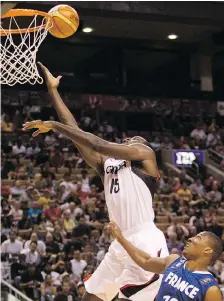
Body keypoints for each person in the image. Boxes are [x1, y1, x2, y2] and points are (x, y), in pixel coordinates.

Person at [22, 62, 169, 301]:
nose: (132, 139)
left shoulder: (145, 156)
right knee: (91, 297)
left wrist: (54, 126)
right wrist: (53, 91)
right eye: (130, 137)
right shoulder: (107, 164)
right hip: (120, 242)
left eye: (137, 139)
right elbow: (76, 132)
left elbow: (98, 143)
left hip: (144, 240)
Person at [108, 221, 223, 301]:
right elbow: (146, 261)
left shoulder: (211, 290)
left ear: (207, 250)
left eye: (198, 238)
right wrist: (121, 239)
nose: (190, 238)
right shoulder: (174, 261)